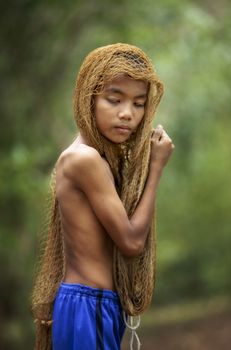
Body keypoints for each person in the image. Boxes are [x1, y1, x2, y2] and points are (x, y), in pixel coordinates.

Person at [31, 43, 174, 350]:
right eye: (114, 99)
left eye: (139, 104)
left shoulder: (94, 158)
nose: (127, 114)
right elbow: (132, 242)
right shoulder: (85, 160)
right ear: (89, 97)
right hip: (88, 305)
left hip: (94, 304)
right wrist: (156, 169)